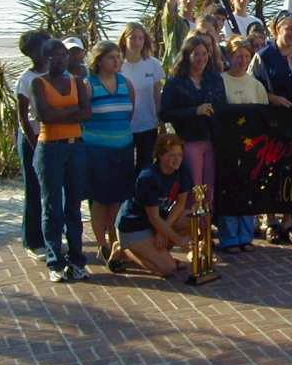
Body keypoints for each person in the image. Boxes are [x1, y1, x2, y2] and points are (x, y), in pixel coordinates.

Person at [249, 10, 292, 243]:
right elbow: (251, 86)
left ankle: (289, 220)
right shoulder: (263, 56)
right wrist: (272, 98)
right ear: (277, 30)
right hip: (271, 121)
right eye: (289, 29)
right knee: (270, 170)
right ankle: (270, 220)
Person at [31, 39, 91, 282]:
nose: (61, 60)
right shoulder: (39, 83)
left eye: (64, 55)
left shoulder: (77, 81)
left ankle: (77, 260)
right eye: (55, 56)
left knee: (74, 206)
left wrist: (61, 114)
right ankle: (55, 261)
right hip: (50, 148)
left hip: (75, 147)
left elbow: (87, 112)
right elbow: (43, 115)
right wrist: (71, 112)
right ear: (46, 59)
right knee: (52, 206)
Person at [160, 36, 227, 215]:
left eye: (204, 54)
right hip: (189, 141)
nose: (201, 58)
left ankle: (207, 226)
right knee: (193, 189)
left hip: (212, 140)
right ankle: (191, 226)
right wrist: (195, 111)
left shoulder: (215, 79)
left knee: (210, 188)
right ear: (187, 56)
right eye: (196, 54)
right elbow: (165, 113)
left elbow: (223, 107)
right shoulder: (175, 82)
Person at [83, 40, 136, 267]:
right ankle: (101, 243)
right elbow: (83, 117)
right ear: (99, 61)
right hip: (97, 151)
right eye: (111, 57)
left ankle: (115, 241)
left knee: (117, 198)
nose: (116, 61)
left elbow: (130, 113)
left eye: (118, 57)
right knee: (100, 199)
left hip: (123, 148)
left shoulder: (126, 83)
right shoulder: (89, 85)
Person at [111, 134, 192, 277]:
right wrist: (179, 240)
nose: (177, 159)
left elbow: (181, 204)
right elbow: (153, 217)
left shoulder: (182, 169)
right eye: (171, 155)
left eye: (180, 154)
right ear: (160, 155)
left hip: (156, 221)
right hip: (133, 226)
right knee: (168, 269)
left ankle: (156, 253)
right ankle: (124, 251)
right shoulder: (148, 177)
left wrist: (163, 231)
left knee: (191, 219)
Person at [219, 37, 268, 252]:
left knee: (248, 189)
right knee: (228, 189)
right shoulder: (220, 81)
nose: (243, 60)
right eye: (238, 56)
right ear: (230, 57)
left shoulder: (255, 85)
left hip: (251, 147)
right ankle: (229, 238)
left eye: (247, 56)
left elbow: (264, 114)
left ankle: (246, 236)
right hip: (227, 145)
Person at [15, 29, 51, 261]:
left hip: (53, 136)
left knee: (51, 190)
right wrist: (35, 145)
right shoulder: (25, 79)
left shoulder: (56, 72)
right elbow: (22, 117)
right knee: (34, 189)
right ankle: (32, 240)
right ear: (32, 52)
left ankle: (50, 236)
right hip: (33, 139)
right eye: (42, 48)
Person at [118, 22, 164, 174]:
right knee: (125, 169)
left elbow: (157, 95)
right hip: (124, 126)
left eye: (140, 38)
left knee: (145, 168)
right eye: (133, 38)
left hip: (148, 124)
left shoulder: (153, 64)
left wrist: (161, 120)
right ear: (124, 39)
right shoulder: (118, 66)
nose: (137, 42)